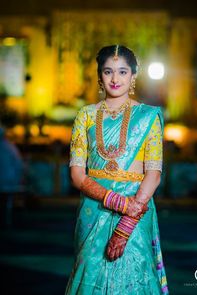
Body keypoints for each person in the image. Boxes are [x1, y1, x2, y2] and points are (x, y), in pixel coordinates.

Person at [65, 45, 169, 294]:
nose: (115, 78)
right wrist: (119, 202)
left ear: (133, 76)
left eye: (122, 72)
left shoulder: (148, 117)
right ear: (100, 76)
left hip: (135, 212)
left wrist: (126, 224)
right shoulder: (86, 115)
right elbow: (77, 175)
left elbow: (153, 174)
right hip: (94, 209)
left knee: (133, 274)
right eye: (108, 71)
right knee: (90, 270)